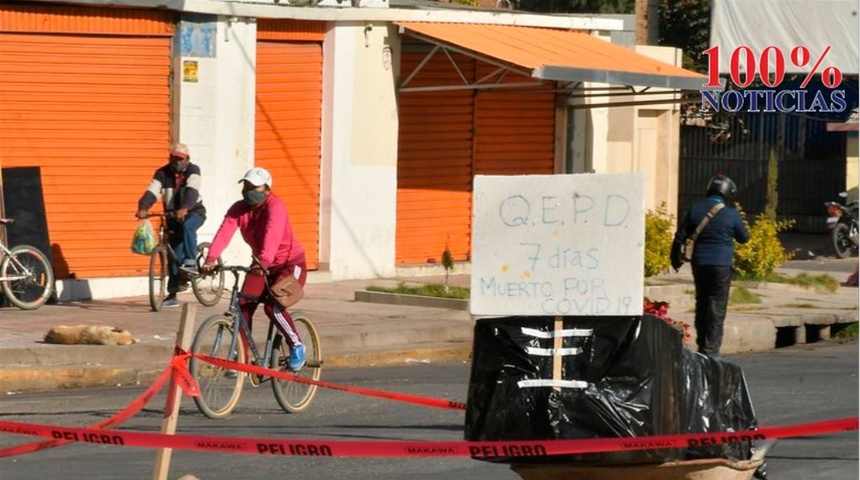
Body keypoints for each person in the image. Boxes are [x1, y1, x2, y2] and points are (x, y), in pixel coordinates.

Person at [200, 167, 308, 370]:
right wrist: (211, 259)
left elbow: (272, 235)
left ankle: (296, 344)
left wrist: (264, 262)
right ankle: (242, 356)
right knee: (242, 307)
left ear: (267, 189)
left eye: (254, 187)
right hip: (261, 265)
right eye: (246, 186)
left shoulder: (275, 206)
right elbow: (225, 232)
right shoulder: (239, 209)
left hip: (289, 263)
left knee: (273, 306)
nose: (248, 191)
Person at [671, 174, 750, 357]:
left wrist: (674, 259)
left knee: (702, 302)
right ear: (727, 193)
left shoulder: (695, 209)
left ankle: (701, 345)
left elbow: (679, 237)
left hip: (700, 264)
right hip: (721, 265)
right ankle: (711, 349)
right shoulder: (731, 214)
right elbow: (744, 238)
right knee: (717, 305)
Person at [136, 143, 206, 307]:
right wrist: (143, 207)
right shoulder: (162, 173)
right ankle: (172, 293)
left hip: (194, 212)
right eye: (174, 158)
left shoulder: (193, 170)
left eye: (180, 159)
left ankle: (191, 261)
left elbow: (192, 191)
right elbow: (152, 191)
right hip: (172, 216)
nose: (177, 162)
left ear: (187, 159)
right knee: (172, 252)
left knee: (189, 226)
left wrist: (185, 208)